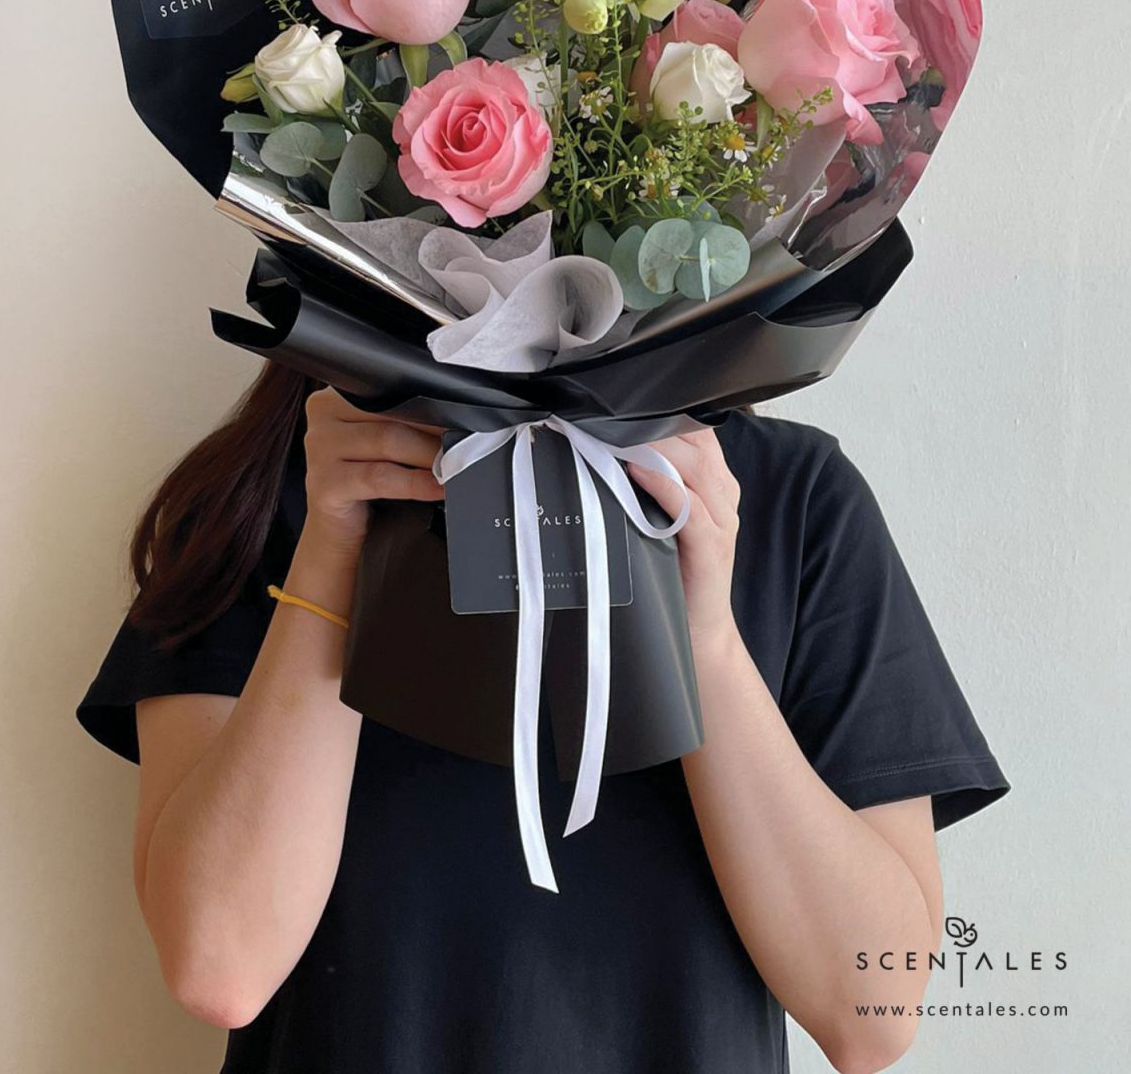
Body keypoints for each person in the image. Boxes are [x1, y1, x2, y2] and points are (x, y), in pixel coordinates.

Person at [78, 363, 1008, 1074]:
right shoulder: (267, 506)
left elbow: (873, 1011)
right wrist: (331, 558)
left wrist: (707, 642)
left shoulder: (786, 502)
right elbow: (219, 967)